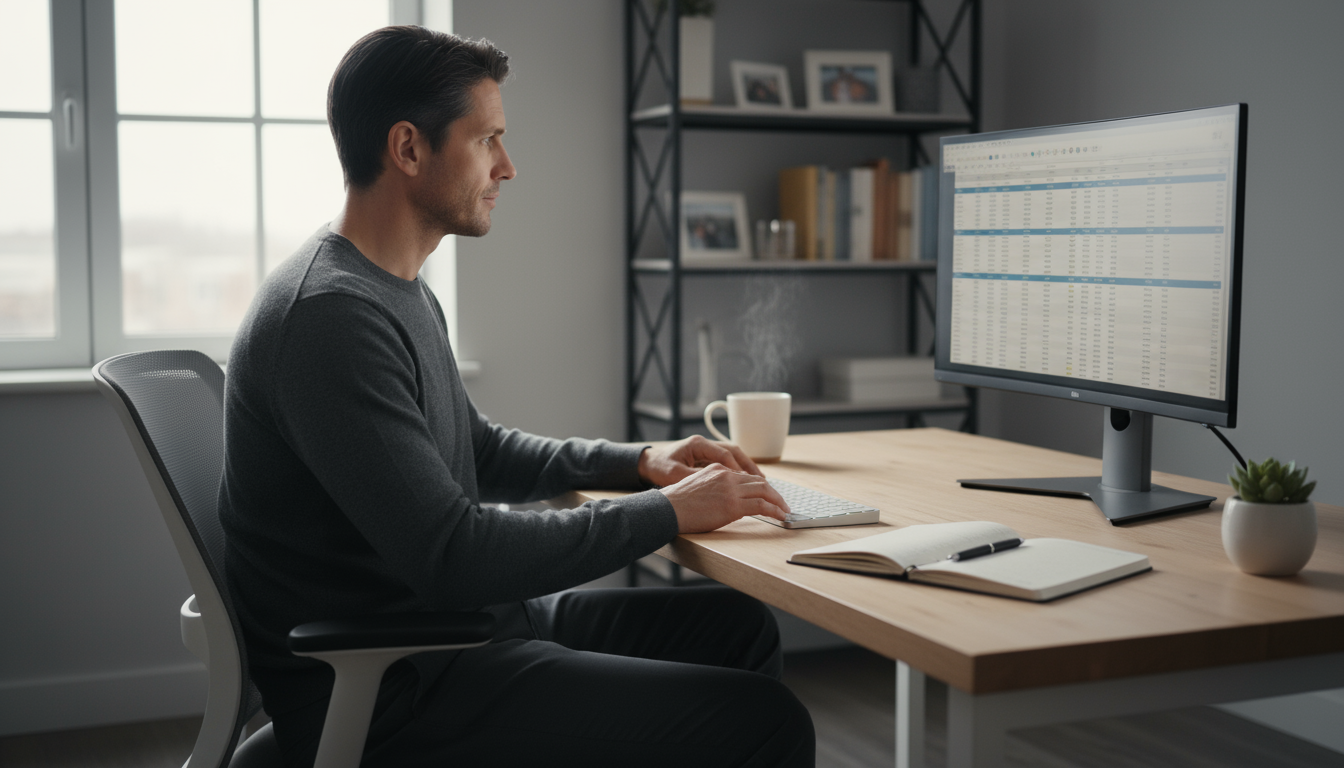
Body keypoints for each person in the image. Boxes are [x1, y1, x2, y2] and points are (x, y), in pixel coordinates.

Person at [218, 25, 816, 767]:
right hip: (401, 686)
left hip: (460, 634)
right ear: (408, 149)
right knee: (767, 722)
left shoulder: (391, 286)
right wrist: (667, 512)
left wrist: (643, 462)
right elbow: (454, 555)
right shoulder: (329, 317)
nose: (509, 166)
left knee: (738, 627)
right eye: (487, 140)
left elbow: (478, 449)